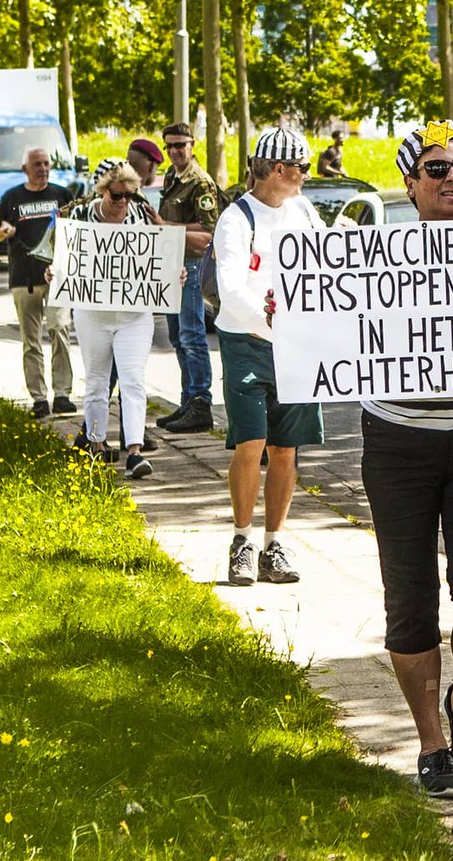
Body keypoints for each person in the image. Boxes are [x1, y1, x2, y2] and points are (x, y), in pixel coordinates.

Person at [361, 120, 453, 804]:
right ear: (410, 183)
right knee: (409, 600)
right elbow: (318, 325)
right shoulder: (370, 256)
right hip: (397, 444)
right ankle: (431, 743)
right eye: (436, 168)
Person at [214, 128, 324, 587]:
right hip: (247, 342)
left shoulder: (303, 211)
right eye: (302, 168)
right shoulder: (236, 219)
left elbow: (325, 259)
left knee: (285, 448)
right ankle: (242, 541)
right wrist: (270, 317)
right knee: (251, 443)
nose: (305, 177)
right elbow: (232, 286)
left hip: (295, 345)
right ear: (279, 169)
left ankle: (273, 542)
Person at [57, 159, 165, 479]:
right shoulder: (80, 215)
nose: (122, 203)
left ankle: (134, 451)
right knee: (96, 381)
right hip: (93, 313)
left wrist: (172, 274)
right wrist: (58, 270)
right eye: (116, 196)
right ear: (103, 192)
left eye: (128, 196)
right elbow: (65, 255)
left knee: (132, 380)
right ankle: (97, 444)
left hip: (133, 314)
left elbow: (155, 257)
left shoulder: (141, 217)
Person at [0, 147, 74, 419]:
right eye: (37, 164)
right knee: (31, 340)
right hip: (24, 278)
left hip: (58, 277)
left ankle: (62, 394)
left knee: (60, 330)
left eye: (47, 164)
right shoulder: (12, 198)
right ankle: (39, 398)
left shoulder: (62, 195)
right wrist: (3, 232)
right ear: (25, 168)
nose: (43, 168)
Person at [155, 122, 218, 434]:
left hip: (191, 266)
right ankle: (186, 401)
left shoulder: (200, 184)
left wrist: (164, 226)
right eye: (170, 146)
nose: (175, 151)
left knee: (192, 335)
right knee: (178, 336)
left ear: (193, 145)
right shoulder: (171, 176)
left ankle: (200, 403)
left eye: (181, 145)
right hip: (171, 265)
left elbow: (208, 234)